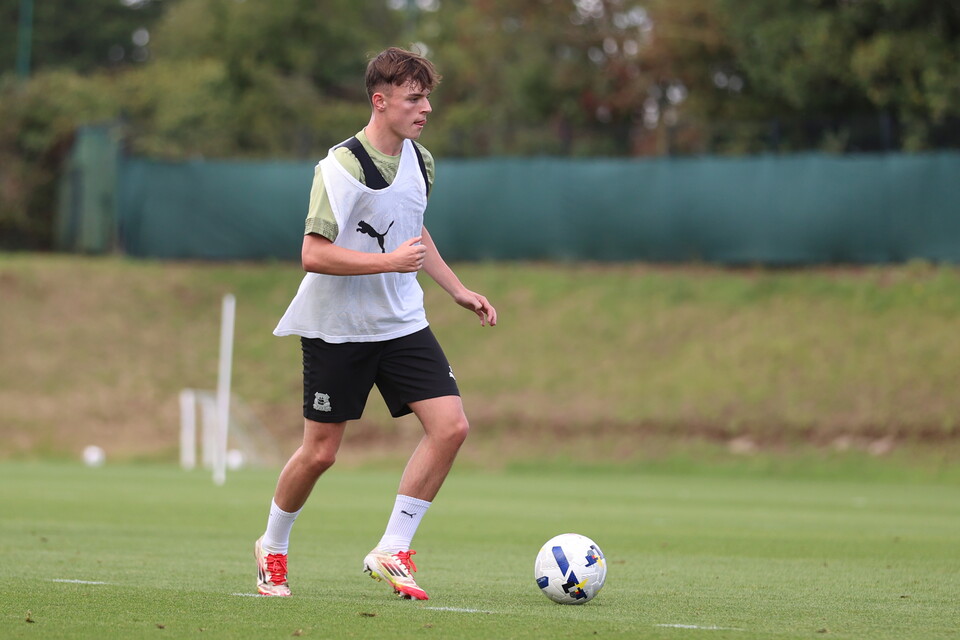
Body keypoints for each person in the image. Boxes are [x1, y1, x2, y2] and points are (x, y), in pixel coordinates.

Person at [254, 47, 497, 601]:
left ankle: (393, 547)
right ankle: (271, 546)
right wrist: (388, 262)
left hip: (402, 322)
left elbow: (412, 231)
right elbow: (313, 254)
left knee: (451, 427)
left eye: (427, 96)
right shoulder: (339, 167)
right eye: (414, 98)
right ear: (379, 101)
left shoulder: (422, 160)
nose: (426, 108)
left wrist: (457, 290)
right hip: (337, 327)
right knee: (321, 453)